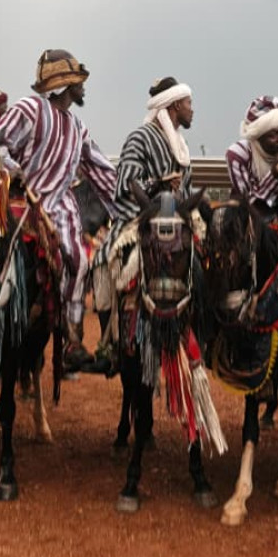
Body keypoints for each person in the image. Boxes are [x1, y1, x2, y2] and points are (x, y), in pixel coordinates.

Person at [0, 50, 117, 369]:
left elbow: (102, 171)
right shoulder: (30, 108)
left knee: (79, 260)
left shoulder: (77, 126)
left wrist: (131, 202)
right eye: (77, 81)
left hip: (60, 208)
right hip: (23, 202)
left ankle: (71, 339)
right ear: (63, 85)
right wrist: (13, 166)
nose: (82, 87)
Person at [87, 76, 196, 375]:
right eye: (188, 103)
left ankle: (203, 334)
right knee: (102, 264)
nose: (192, 109)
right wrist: (158, 184)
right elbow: (125, 182)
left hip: (177, 221)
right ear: (174, 105)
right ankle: (111, 344)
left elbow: (186, 190)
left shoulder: (181, 145)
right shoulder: (140, 137)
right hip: (139, 220)